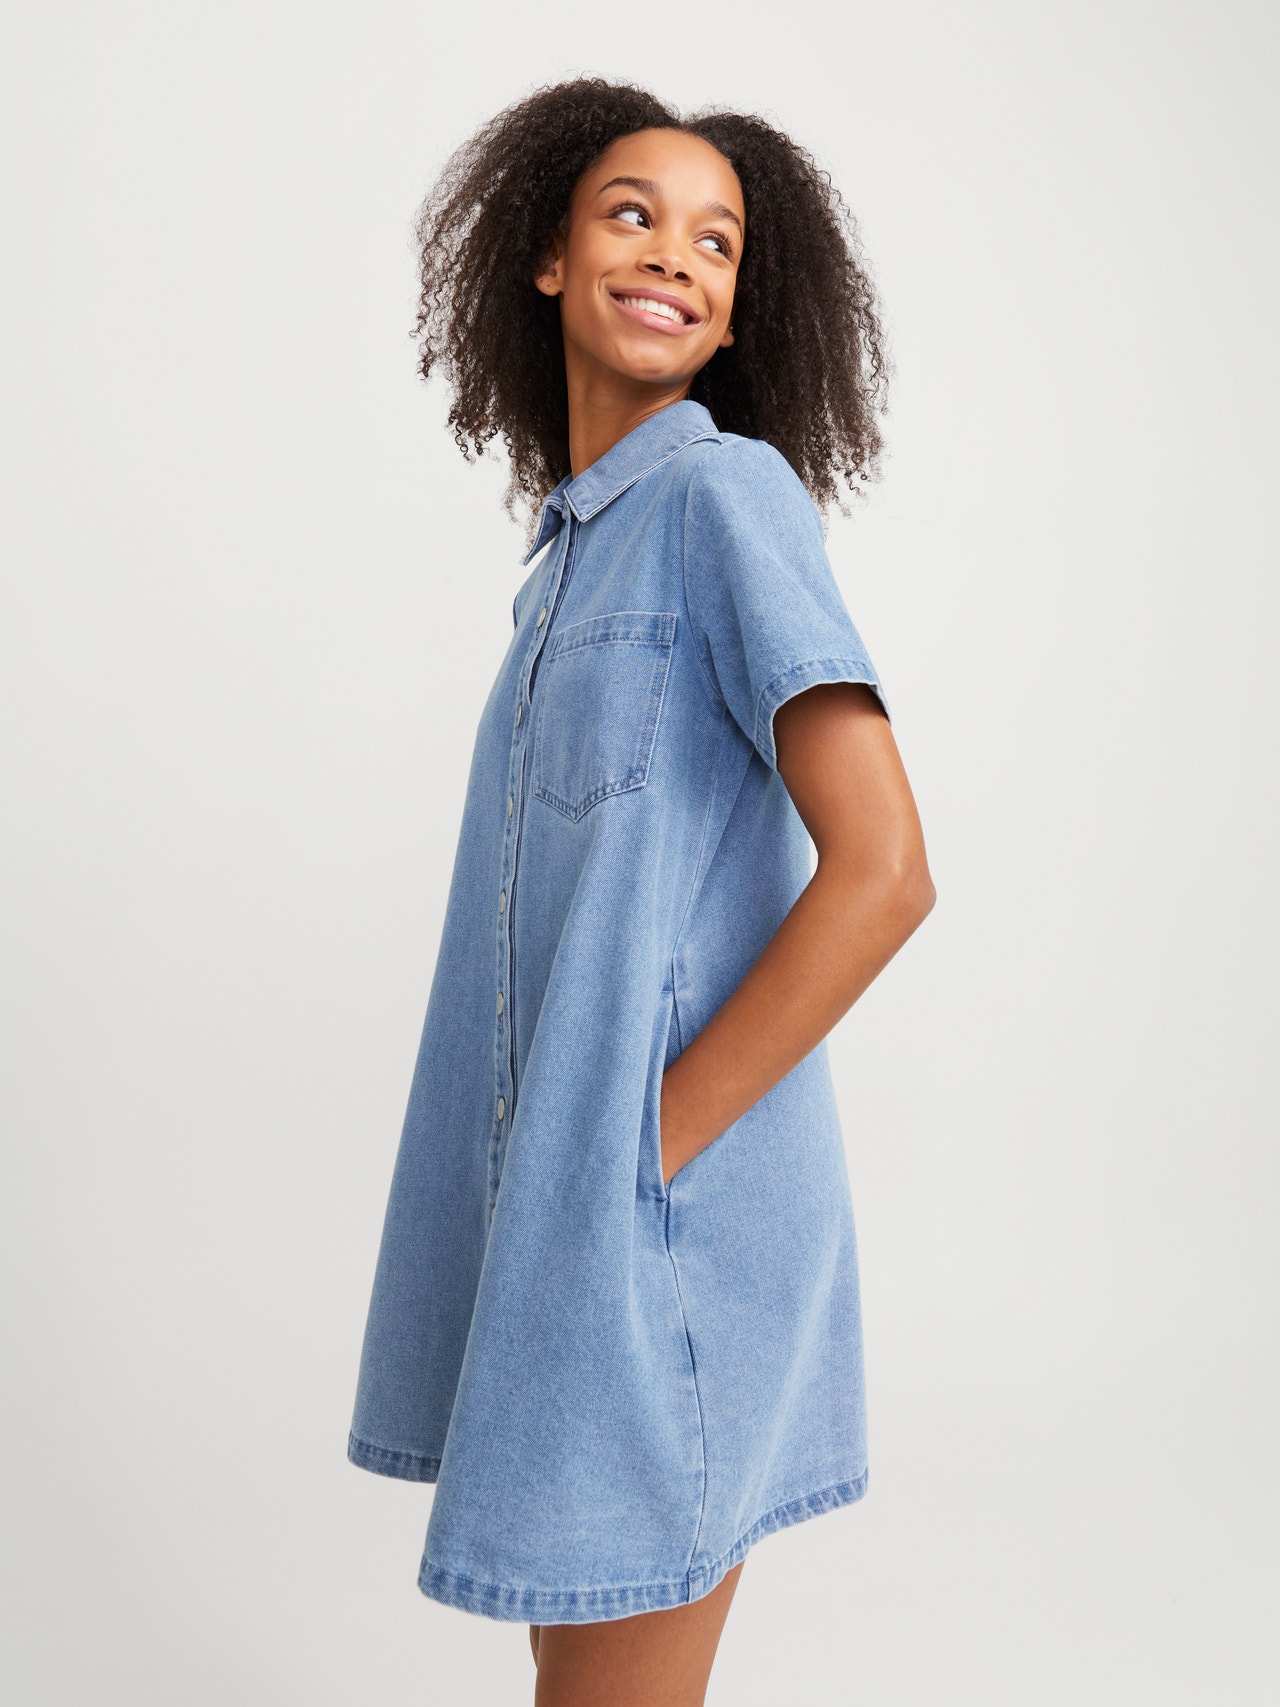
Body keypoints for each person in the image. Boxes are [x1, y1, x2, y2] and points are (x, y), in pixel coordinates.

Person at [347, 77, 936, 1707]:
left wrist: (638, 1153)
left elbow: (886, 871)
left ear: (740, 309)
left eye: (716, 241)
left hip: (662, 1246)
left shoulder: (722, 500)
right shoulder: (570, 565)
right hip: (569, 1238)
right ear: (548, 257)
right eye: (632, 214)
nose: (674, 253)